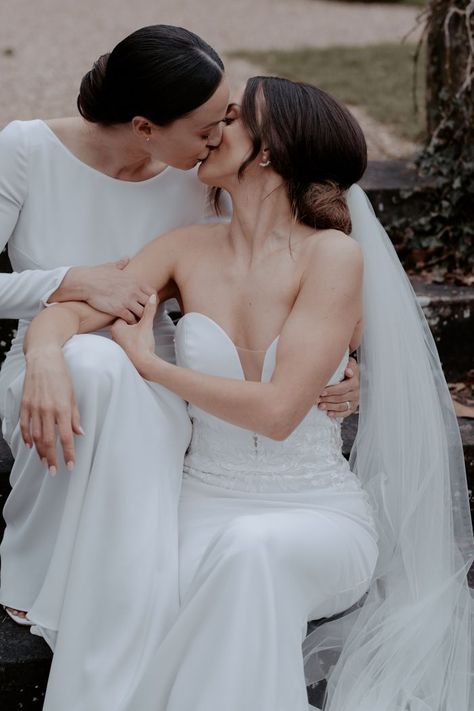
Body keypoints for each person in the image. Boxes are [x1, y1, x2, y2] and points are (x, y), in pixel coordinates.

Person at [21, 77, 474, 710]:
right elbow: (78, 307)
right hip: (197, 506)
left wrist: (154, 367)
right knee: (147, 586)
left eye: (228, 119)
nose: (210, 132)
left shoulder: (332, 256)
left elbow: (280, 413)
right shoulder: (183, 249)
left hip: (313, 512)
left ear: (268, 149)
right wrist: (45, 351)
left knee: (250, 551)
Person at [0, 24, 362, 629]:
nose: (220, 137)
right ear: (144, 127)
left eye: (227, 119)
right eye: (207, 127)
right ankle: (41, 565)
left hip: (159, 374)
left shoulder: (200, 178)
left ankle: (109, 578)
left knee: (106, 364)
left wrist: (338, 369)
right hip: (53, 360)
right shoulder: (26, 150)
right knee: (91, 363)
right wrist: (60, 295)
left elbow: (271, 267)